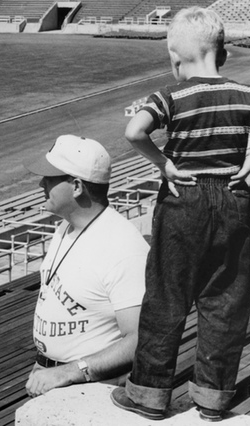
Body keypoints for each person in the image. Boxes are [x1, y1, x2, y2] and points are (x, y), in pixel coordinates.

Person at [110, 6, 250, 422]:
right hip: (232, 199)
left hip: (182, 201)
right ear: (222, 56)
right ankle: (212, 398)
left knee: (165, 298)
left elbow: (133, 131)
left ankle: (149, 395)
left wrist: (162, 163)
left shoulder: (171, 97)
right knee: (226, 300)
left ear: (176, 59)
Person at [23, 134, 149, 398]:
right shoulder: (65, 227)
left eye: (50, 178)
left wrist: (66, 372)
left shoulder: (124, 249)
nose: (40, 183)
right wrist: (45, 364)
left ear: (77, 187)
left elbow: (140, 339)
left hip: (92, 388)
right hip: (50, 378)